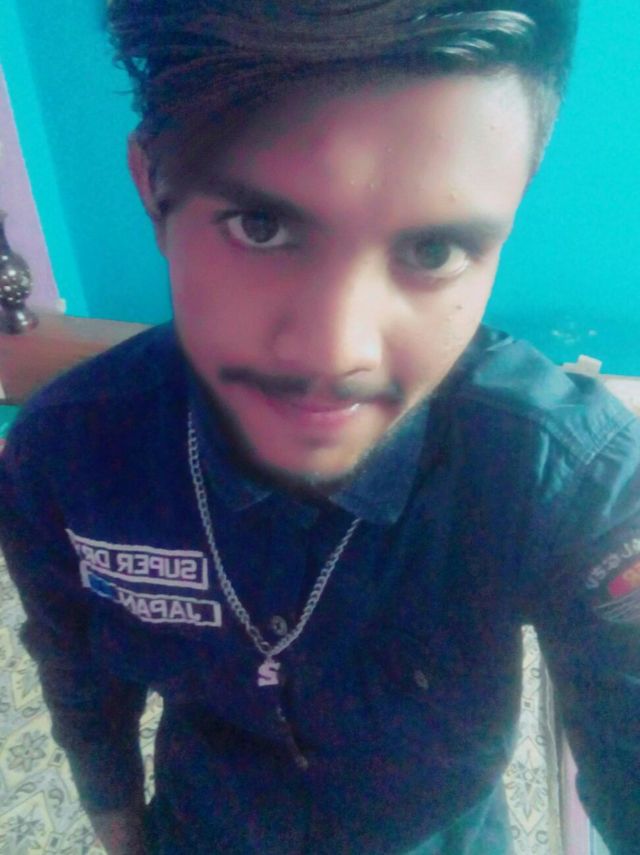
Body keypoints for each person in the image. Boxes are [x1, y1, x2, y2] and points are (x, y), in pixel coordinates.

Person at [1, 1, 639, 852]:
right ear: (154, 190)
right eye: (260, 226)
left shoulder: (560, 472)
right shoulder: (66, 453)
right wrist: (120, 827)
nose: (338, 351)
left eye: (434, 251)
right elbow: (75, 665)